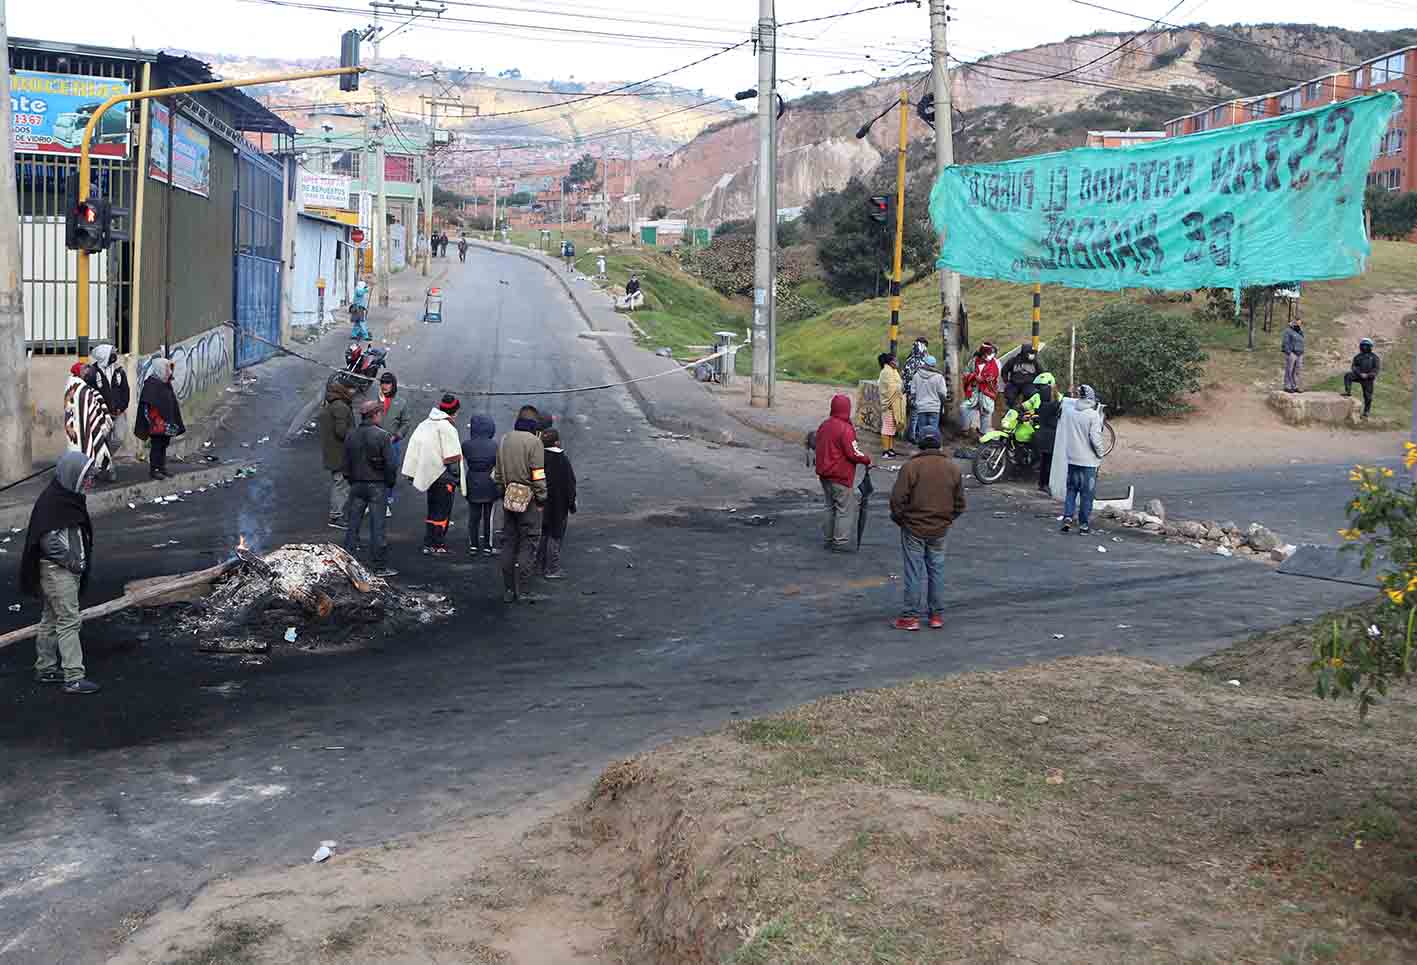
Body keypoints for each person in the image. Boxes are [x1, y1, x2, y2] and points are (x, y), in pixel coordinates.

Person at [20, 451, 99, 694]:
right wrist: (74, 562)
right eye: (85, 477)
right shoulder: (54, 503)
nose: (89, 482)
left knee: (52, 618)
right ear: (72, 475)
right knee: (68, 620)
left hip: (59, 570)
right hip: (57, 571)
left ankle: (45, 668)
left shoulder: (65, 498)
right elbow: (49, 541)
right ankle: (74, 677)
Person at [889, 428, 966, 631]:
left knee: (914, 572)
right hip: (940, 529)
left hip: (914, 528)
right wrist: (946, 519)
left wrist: (902, 521)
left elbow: (897, 500)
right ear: (939, 444)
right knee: (936, 571)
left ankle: (910, 617)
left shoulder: (911, 468)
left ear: (920, 444)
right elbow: (960, 504)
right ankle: (936, 616)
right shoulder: (952, 468)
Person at [493, 405, 548, 602]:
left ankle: (508, 589)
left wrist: (503, 492)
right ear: (534, 424)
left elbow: (498, 473)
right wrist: (541, 498)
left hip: (509, 499)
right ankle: (523, 589)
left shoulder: (505, 439)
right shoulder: (535, 443)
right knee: (528, 542)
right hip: (529, 501)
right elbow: (538, 474)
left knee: (509, 542)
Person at [402, 394, 466, 556]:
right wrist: (457, 479)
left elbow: (415, 447)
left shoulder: (426, 424)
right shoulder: (447, 428)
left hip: (430, 476)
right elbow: (452, 457)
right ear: (454, 411)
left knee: (432, 511)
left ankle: (429, 542)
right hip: (444, 478)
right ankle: (437, 544)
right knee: (442, 512)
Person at [343, 400, 398, 577]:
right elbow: (391, 464)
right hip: (377, 485)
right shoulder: (382, 436)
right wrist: (389, 483)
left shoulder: (351, 435)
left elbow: (346, 463)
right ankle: (379, 566)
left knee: (353, 525)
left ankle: (348, 562)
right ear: (375, 414)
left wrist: (351, 480)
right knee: (378, 526)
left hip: (357, 485)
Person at [814, 394, 872, 552]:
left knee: (829, 506)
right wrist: (866, 459)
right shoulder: (846, 429)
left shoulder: (824, 425)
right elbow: (853, 453)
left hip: (824, 474)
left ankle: (828, 539)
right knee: (844, 508)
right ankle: (840, 542)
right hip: (840, 475)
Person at [1051, 384, 1106, 534]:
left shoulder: (1069, 412)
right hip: (1088, 462)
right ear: (1091, 399)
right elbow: (1095, 438)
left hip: (1072, 459)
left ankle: (1068, 518)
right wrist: (1100, 453)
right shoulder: (1092, 415)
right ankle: (1083, 525)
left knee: (1071, 491)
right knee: (1087, 495)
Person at [134, 357, 185, 481]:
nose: (169, 371)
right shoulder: (151, 384)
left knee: (164, 445)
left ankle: (162, 467)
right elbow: (147, 405)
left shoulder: (165, 383)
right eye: (167, 368)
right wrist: (154, 421)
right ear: (160, 369)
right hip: (156, 423)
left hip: (166, 422)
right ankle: (154, 470)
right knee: (156, 446)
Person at [537, 427, 577, 580]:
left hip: (542, 503)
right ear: (557, 442)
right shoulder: (563, 461)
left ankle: (538, 564)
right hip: (559, 506)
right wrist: (571, 504)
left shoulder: (540, 458)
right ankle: (551, 568)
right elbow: (570, 485)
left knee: (542, 534)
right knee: (555, 535)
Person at [64, 362, 114, 481]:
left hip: (84, 424)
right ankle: (89, 474)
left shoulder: (79, 386)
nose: (87, 371)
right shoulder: (79, 387)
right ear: (78, 372)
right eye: (84, 369)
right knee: (85, 448)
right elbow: (81, 401)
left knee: (92, 446)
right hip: (79, 426)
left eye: (87, 368)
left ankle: (97, 471)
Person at [319, 377, 355, 529]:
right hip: (340, 453)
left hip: (333, 452)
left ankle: (338, 513)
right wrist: (356, 438)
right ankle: (336, 516)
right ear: (345, 390)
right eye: (352, 389)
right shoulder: (340, 406)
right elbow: (341, 431)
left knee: (340, 482)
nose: (354, 392)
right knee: (341, 484)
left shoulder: (332, 403)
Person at [463, 414, 501, 557]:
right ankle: (487, 546)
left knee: (473, 517)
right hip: (489, 483)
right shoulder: (494, 445)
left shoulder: (466, 445)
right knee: (488, 517)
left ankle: (473, 545)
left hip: (472, 481)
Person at [90, 344, 130, 471]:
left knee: (119, 438)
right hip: (101, 415)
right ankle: (105, 467)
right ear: (104, 355)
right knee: (102, 440)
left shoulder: (119, 371)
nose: (115, 355)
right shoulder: (92, 373)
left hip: (118, 413)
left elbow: (125, 390)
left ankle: (105, 460)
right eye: (112, 352)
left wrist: (122, 407)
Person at [378, 372, 411, 518]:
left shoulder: (400, 403)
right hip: (376, 443)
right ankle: (373, 501)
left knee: (389, 473)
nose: (384, 386)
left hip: (392, 445)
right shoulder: (376, 401)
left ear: (393, 385)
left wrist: (397, 435)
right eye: (382, 383)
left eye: (387, 383)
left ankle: (386, 502)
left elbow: (406, 423)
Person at [1031, 373, 1063, 494]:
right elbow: (1056, 406)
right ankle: (1045, 484)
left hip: (1045, 435)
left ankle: (1042, 483)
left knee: (1045, 461)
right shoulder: (1050, 405)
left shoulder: (1043, 404)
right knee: (1048, 462)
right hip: (1050, 436)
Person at [960, 342, 999, 439]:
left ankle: (983, 432)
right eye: (989, 354)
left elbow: (995, 375)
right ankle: (965, 429)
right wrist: (974, 377)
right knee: (965, 407)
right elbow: (965, 373)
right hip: (974, 390)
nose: (991, 356)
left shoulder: (995, 363)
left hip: (987, 391)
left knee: (986, 411)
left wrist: (984, 379)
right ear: (983, 354)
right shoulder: (973, 362)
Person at [909, 355, 947, 443]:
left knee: (922, 431)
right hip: (934, 408)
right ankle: (933, 448)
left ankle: (923, 448)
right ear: (934, 365)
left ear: (924, 364)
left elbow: (913, 393)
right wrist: (942, 403)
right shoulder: (939, 377)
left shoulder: (916, 375)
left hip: (921, 407)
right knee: (933, 430)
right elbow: (943, 393)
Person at [900, 337, 929, 439]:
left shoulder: (909, 360)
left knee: (914, 415)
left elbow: (903, 376)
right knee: (917, 416)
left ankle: (913, 434)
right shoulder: (922, 362)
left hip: (910, 392)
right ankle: (913, 436)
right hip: (919, 392)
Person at [1343, 337, 1380, 418]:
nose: (1364, 347)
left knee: (1368, 397)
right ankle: (1348, 391)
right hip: (1358, 376)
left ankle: (1366, 412)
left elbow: (1376, 369)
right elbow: (1354, 367)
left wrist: (1368, 375)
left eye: (1367, 345)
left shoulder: (1375, 357)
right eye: (1363, 345)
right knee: (1348, 375)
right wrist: (1360, 374)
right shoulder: (1357, 357)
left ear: (1370, 346)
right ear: (1360, 346)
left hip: (1368, 379)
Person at [877, 353, 905, 458]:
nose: (897, 362)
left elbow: (897, 385)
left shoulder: (893, 371)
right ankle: (885, 450)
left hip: (894, 403)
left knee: (892, 428)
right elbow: (891, 389)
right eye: (895, 360)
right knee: (887, 428)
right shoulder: (886, 372)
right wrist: (900, 388)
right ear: (891, 362)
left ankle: (890, 448)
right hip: (888, 405)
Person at [1001, 343, 1042, 409]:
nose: (1032, 355)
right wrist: (1006, 381)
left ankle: (1026, 411)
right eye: (1030, 353)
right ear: (1025, 353)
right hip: (1014, 384)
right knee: (1009, 395)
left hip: (1029, 384)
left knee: (1032, 394)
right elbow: (1005, 370)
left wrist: (1038, 384)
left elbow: (1041, 373)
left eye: (1033, 353)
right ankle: (1012, 410)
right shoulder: (1014, 360)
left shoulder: (1035, 362)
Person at [1281, 317, 1305, 393]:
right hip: (1292, 353)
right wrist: (1289, 352)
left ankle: (1295, 386)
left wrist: (1302, 351)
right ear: (1293, 323)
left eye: (1300, 323)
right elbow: (1285, 342)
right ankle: (1287, 386)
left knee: (1297, 370)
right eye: (1297, 323)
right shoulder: (1288, 331)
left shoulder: (1300, 331)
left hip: (1300, 353)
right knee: (1289, 370)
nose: (1299, 324)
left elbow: (1301, 342)